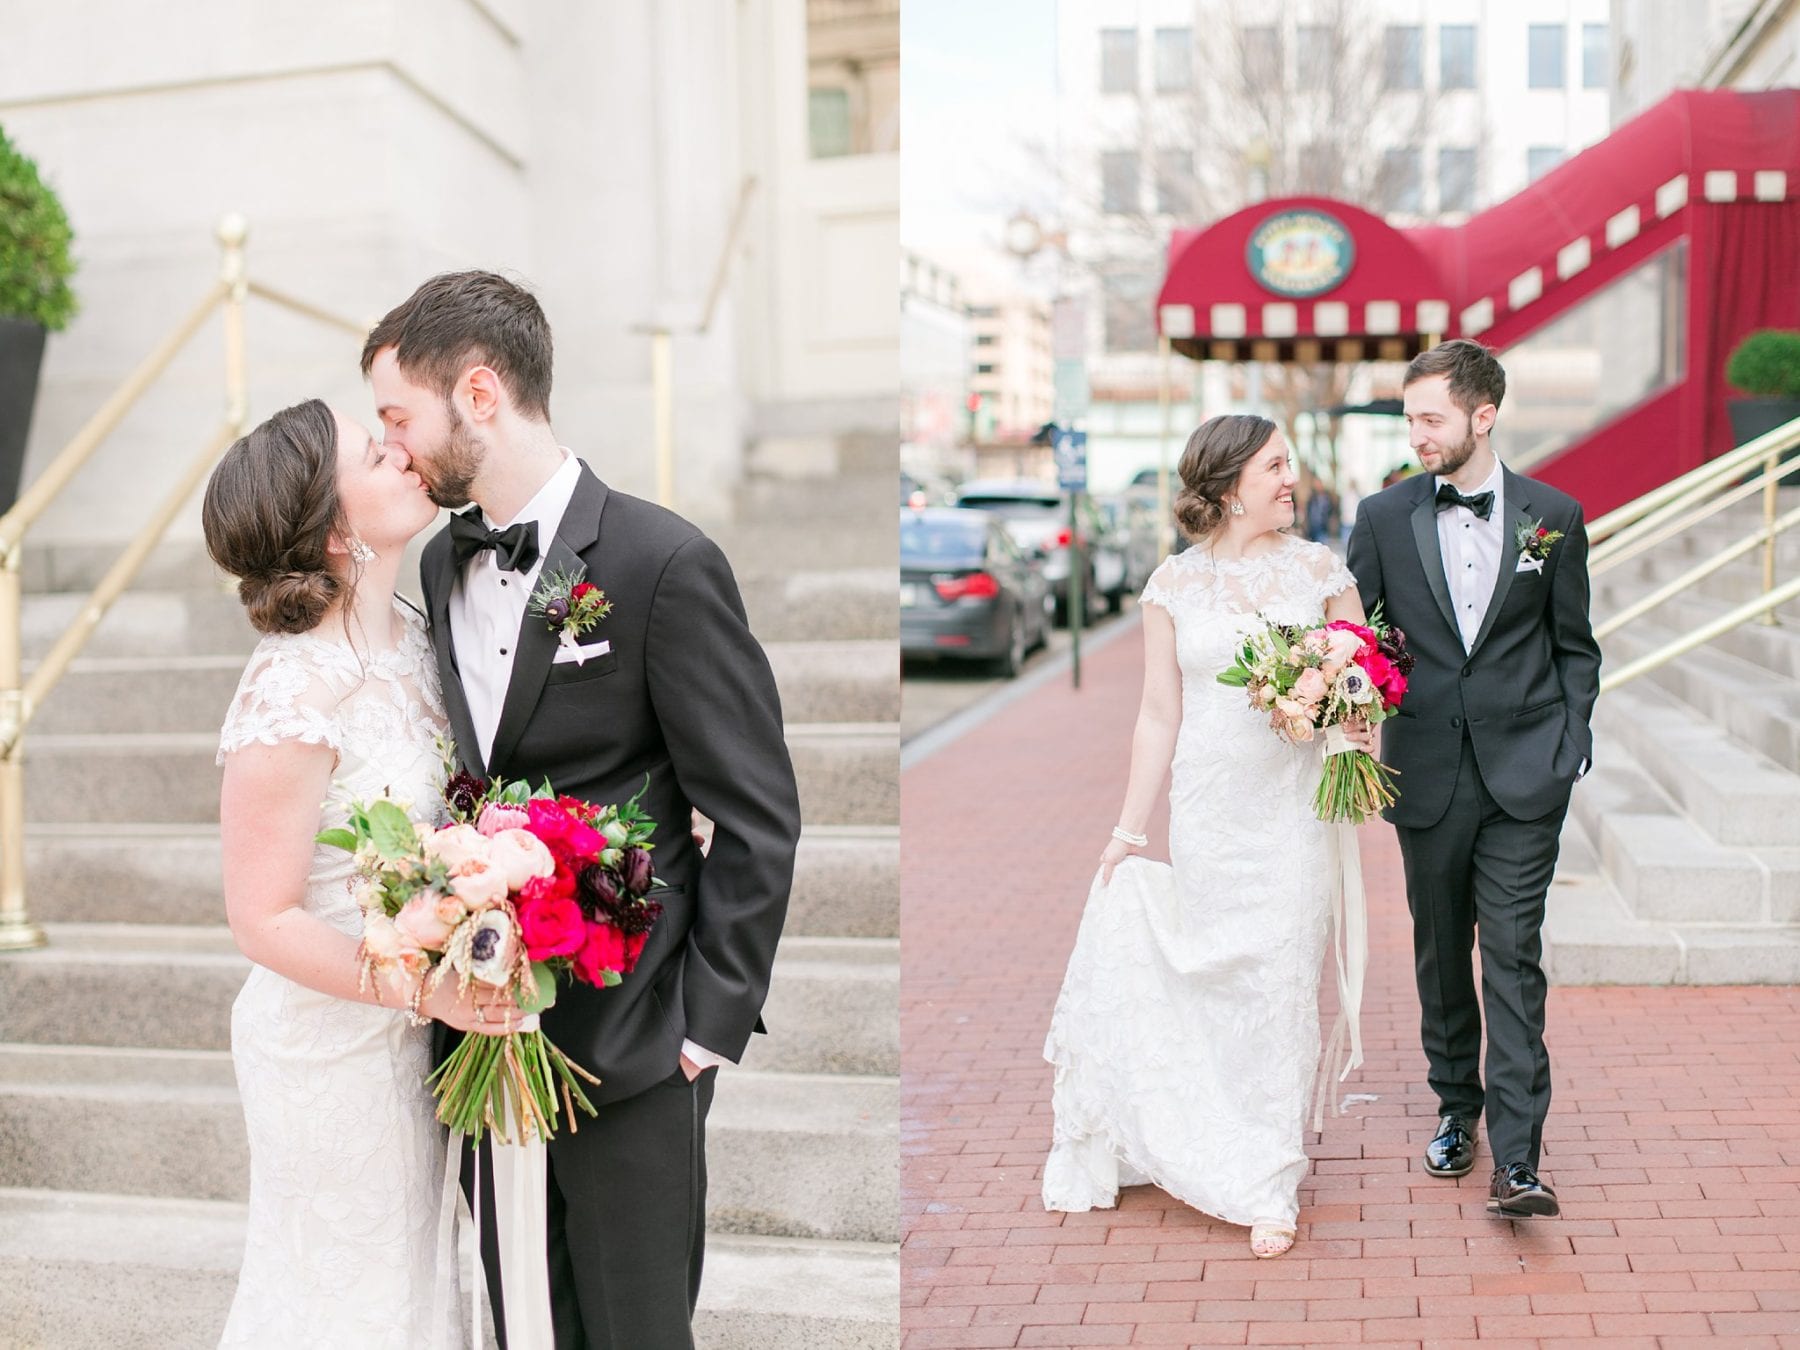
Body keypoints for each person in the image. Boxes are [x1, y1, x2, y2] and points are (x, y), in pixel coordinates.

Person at [363, 271, 802, 1346]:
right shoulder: (440, 560)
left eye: (396, 416)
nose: (394, 446)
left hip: (641, 1041)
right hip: (483, 1039)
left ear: (476, 392)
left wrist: (706, 1027)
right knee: (530, 1324)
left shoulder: (661, 561)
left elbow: (755, 810)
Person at [205, 398, 516, 1348]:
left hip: (413, 1040)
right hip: (326, 1050)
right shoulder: (293, 687)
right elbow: (261, 919)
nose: (404, 456)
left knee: (417, 1292)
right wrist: (426, 989)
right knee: (348, 1302)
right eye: (376, 454)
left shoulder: (423, 638)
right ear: (337, 527)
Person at [1042, 413, 1371, 1259]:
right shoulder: (1172, 587)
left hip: (1293, 815)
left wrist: (1346, 714)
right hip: (1210, 812)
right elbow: (1159, 714)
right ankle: (1196, 1132)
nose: (1290, 479)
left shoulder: (1323, 572)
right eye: (1274, 467)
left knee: (1279, 980)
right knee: (1213, 975)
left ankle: (1267, 1178)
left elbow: (1366, 684)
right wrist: (1128, 828)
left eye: (1288, 464)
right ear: (1229, 489)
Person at [1347, 339, 1599, 1218]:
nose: (1415, 433)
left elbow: (1576, 646)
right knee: (1441, 951)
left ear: (1481, 416)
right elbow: (1360, 645)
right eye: (1410, 417)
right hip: (1426, 775)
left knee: (1513, 957)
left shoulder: (1554, 514)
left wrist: (1572, 742)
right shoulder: (1381, 519)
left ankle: (1521, 1160)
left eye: (1429, 417)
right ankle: (1458, 1108)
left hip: (1529, 776)